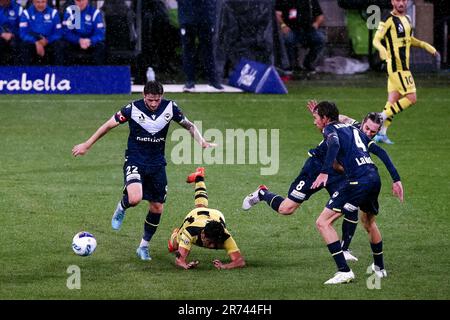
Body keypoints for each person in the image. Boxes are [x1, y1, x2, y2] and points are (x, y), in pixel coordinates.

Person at [72, 81, 217, 261]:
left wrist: (201, 142)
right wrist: (87, 144)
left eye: (157, 100)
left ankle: (143, 246)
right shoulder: (132, 109)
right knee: (135, 198)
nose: (154, 104)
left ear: (161, 96)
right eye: (150, 100)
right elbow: (108, 125)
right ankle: (122, 206)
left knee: (157, 207)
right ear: (143, 95)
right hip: (135, 159)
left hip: (157, 164)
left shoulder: (170, 108)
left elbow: (188, 125)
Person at [242, 102, 399, 262]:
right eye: (367, 128)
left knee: (350, 206)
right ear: (362, 122)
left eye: (373, 132)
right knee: (286, 209)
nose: (368, 133)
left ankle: (344, 249)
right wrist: (322, 115)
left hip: (337, 173)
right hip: (316, 168)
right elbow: (338, 123)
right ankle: (262, 193)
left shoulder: (364, 138)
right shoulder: (352, 125)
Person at [310, 101, 403, 284]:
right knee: (368, 222)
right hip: (373, 178)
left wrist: (324, 171)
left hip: (357, 181)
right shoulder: (354, 131)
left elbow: (334, 144)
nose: (314, 122)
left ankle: (344, 270)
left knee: (323, 222)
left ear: (325, 119)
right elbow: (382, 153)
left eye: (316, 118)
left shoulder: (331, 129)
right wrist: (396, 179)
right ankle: (379, 268)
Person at [372, 0, 440, 144]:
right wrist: (383, 50)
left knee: (393, 100)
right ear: (392, 2)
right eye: (398, 0)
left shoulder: (407, 19)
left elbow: (408, 40)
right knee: (411, 98)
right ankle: (378, 118)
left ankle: (381, 134)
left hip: (402, 67)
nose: (401, 2)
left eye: (403, 0)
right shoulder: (388, 19)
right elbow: (376, 40)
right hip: (397, 67)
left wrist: (424, 45)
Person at [168, 167, 245, 270]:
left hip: (216, 215)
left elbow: (240, 261)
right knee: (174, 246)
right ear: (203, 235)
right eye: (209, 242)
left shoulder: (224, 236)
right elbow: (179, 260)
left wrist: (224, 266)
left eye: (215, 242)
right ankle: (175, 233)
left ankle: (199, 177)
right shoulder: (190, 231)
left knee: (201, 206)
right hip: (195, 217)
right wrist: (185, 265)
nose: (212, 246)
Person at [177, 0, 224, 92]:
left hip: (205, 18)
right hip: (188, 18)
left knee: (208, 50)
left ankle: (213, 81)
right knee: (188, 50)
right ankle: (190, 81)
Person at [275, 0, 325, 73]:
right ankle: (290, 65)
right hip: (291, 29)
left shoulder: (310, 1)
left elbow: (320, 15)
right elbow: (277, 14)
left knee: (320, 39)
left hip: (308, 30)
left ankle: (308, 63)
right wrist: (283, 25)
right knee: (288, 39)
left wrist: (316, 24)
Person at [19, 0, 64, 65]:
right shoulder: (26, 13)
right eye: (38, 2)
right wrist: (36, 42)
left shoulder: (53, 13)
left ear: (46, 2)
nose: (40, 5)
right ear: (33, 2)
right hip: (33, 41)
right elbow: (23, 33)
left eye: (43, 2)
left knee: (59, 44)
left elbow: (58, 33)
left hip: (49, 41)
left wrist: (47, 40)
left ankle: (58, 72)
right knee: (24, 45)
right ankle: (25, 72)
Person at [62, 0, 106, 65]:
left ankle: (98, 73)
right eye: (78, 0)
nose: (80, 3)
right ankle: (65, 73)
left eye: (83, 0)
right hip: (75, 42)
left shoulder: (95, 12)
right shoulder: (70, 12)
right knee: (63, 45)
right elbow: (66, 32)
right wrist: (78, 40)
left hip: (91, 43)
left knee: (101, 46)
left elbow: (100, 34)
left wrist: (90, 40)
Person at [0, 0, 22, 65]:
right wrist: (1, 34)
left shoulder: (18, 8)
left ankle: (17, 72)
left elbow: (22, 28)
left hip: (14, 36)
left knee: (18, 44)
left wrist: (12, 34)